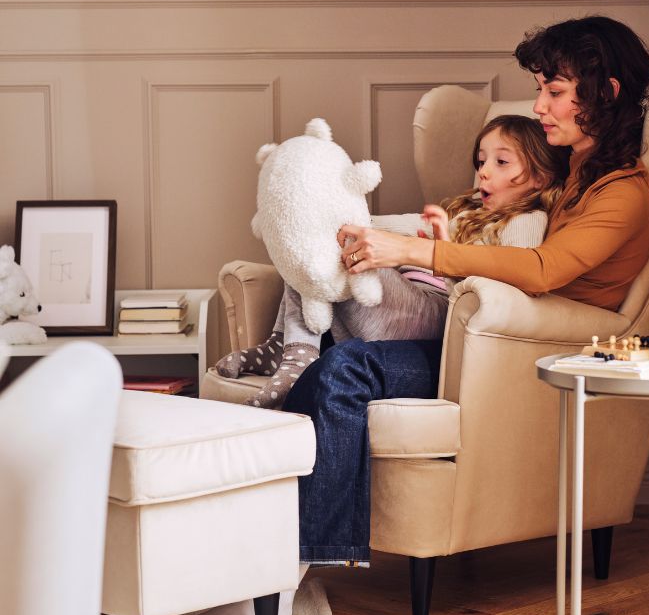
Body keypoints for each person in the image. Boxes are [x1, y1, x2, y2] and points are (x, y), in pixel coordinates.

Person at [167, 14, 649, 615]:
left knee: (346, 369)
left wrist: (411, 252)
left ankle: (274, 587)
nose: (539, 106)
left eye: (555, 90)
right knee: (334, 369)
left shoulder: (624, 194)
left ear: (607, 94)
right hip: (476, 346)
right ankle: (257, 569)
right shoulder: (568, 179)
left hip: (524, 363)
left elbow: (543, 269)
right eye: (541, 87)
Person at [214, 115, 567, 410]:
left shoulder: (526, 221)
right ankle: (286, 344)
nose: (484, 172)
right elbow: (381, 226)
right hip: (397, 304)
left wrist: (443, 246)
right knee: (321, 241)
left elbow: (507, 292)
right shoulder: (464, 211)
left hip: (434, 314)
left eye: (501, 162)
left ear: (540, 176)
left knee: (337, 250)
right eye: (481, 160)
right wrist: (335, 216)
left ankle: (297, 354)